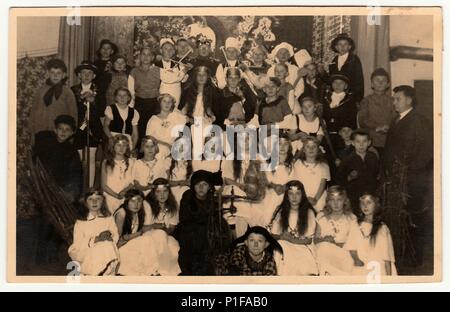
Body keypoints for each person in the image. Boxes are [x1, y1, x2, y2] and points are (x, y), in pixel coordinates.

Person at [383, 85, 433, 267]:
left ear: (409, 100)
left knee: (414, 217)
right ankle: (401, 254)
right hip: (397, 180)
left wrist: (409, 170)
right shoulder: (397, 120)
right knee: (399, 216)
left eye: (398, 99)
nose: (394, 102)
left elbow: (427, 151)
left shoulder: (419, 121)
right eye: (393, 99)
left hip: (412, 181)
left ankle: (415, 258)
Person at [176, 170, 231, 275]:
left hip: (206, 238)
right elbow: (185, 219)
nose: (201, 188)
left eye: (204, 184)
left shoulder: (212, 199)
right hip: (188, 235)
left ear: (210, 186)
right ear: (193, 186)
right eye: (198, 184)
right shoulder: (187, 196)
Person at [268, 180, 319, 276]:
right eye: (290, 194)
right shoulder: (281, 211)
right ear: (286, 196)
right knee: (281, 245)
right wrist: (282, 237)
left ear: (302, 195)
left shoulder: (308, 212)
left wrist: (291, 239)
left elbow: (308, 240)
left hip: (303, 247)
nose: (294, 197)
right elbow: (273, 235)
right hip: (285, 244)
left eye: (298, 194)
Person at [68, 190, 119, 276]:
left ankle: (98, 273)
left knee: (106, 244)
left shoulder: (108, 219)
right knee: (102, 247)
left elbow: (115, 236)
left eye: (98, 199)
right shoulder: (81, 222)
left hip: (107, 252)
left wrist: (109, 235)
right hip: (87, 252)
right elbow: (78, 244)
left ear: (102, 201)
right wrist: (96, 239)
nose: (94, 202)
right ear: (85, 203)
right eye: (90, 199)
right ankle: (100, 273)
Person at [33, 115, 82, 202]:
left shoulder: (72, 152)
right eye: (60, 128)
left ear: (72, 133)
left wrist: (71, 192)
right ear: (55, 130)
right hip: (41, 183)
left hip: (60, 186)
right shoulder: (45, 143)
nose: (63, 132)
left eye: (67, 130)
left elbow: (75, 174)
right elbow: (35, 159)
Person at [345, 193, 397, 276]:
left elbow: (386, 255)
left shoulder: (382, 228)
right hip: (360, 264)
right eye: (363, 203)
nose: (365, 206)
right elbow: (351, 247)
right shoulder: (355, 224)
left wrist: (388, 276)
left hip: (377, 265)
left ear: (376, 205)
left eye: (369, 203)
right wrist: (357, 260)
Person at [114, 189, 162, 275]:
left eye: (139, 201)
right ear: (126, 201)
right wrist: (138, 234)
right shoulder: (121, 214)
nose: (136, 204)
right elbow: (118, 240)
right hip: (119, 249)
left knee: (153, 237)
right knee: (146, 240)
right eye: (132, 201)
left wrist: (153, 226)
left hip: (130, 244)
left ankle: (152, 271)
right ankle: (152, 271)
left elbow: (138, 228)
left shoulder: (137, 213)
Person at [29, 58, 78, 142]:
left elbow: (73, 114)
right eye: (52, 73)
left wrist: (71, 134)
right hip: (41, 132)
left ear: (64, 75)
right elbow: (33, 112)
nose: (55, 76)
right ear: (48, 73)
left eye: (58, 73)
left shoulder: (67, 92)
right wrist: (33, 132)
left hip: (60, 134)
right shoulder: (40, 91)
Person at [315, 186, 358, 275]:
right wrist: (324, 240)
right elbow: (315, 239)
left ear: (345, 201)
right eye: (332, 200)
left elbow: (354, 242)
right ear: (328, 202)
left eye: (339, 200)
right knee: (324, 247)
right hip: (324, 253)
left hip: (343, 254)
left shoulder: (351, 218)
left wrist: (335, 244)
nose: (336, 203)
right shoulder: (321, 216)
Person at [144, 178, 182, 275]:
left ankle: (168, 275)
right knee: (160, 235)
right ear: (153, 193)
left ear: (169, 192)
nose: (162, 195)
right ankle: (160, 271)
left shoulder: (173, 206)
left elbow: (172, 228)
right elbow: (143, 228)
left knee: (174, 248)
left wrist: (165, 229)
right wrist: (156, 226)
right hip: (148, 236)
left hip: (165, 235)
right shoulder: (147, 204)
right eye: (158, 192)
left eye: (165, 191)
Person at [337, 130, 379, 213]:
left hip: (370, 194)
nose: (361, 144)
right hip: (354, 196)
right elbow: (340, 180)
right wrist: (350, 177)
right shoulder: (347, 159)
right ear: (352, 143)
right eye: (358, 141)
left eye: (364, 141)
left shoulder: (373, 157)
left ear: (369, 143)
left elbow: (377, 174)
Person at [215, 226, 282, 276]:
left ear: (266, 244)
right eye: (252, 240)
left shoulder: (269, 260)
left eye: (260, 241)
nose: (255, 245)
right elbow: (234, 272)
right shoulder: (239, 252)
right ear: (246, 242)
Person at [293, 137, 330, 212]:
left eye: (314, 147)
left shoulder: (324, 165)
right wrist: (303, 198)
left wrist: (315, 199)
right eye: (308, 146)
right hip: (302, 198)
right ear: (303, 149)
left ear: (318, 149)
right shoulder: (298, 164)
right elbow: (296, 183)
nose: (311, 149)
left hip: (318, 199)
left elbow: (322, 184)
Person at [145, 93, 187, 159]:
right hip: (158, 145)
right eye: (164, 101)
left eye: (169, 102)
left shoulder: (176, 116)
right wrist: (166, 145)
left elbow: (181, 133)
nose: (167, 104)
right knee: (160, 151)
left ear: (172, 104)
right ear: (160, 103)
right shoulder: (153, 119)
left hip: (173, 145)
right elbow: (149, 137)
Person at [322, 73, 357, 150]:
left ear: (346, 86)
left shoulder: (350, 100)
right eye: (335, 82)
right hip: (327, 135)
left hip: (342, 136)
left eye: (341, 83)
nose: (338, 85)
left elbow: (351, 119)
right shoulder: (325, 98)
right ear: (331, 85)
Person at [101, 134, 135, 214]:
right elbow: (103, 185)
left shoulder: (131, 162)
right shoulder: (106, 162)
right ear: (113, 146)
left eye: (124, 145)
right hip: (110, 196)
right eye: (118, 145)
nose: (121, 148)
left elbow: (132, 182)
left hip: (125, 196)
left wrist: (124, 191)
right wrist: (116, 195)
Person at [328, 33, 364, 102]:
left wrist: (357, 99)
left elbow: (359, 81)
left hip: (350, 96)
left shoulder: (354, 59)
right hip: (337, 95)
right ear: (336, 47)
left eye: (345, 44)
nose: (342, 47)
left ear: (349, 47)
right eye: (340, 44)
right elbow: (331, 79)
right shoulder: (333, 61)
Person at [155, 38, 192, 106]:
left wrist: (186, 69)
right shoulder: (156, 65)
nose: (168, 51)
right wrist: (184, 71)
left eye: (171, 49)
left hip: (176, 94)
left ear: (173, 52)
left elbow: (183, 80)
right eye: (166, 49)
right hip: (162, 94)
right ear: (161, 50)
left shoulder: (177, 63)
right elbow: (167, 79)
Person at [93, 39, 118, 114]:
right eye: (103, 48)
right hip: (100, 94)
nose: (105, 50)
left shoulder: (115, 63)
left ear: (112, 51)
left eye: (108, 48)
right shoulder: (95, 64)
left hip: (112, 93)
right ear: (100, 50)